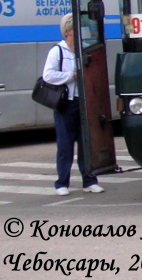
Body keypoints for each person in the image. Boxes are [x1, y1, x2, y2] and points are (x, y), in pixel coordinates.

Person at [42, 14, 103, 195]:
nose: (82, 32)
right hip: (65, 104)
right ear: (69, 32)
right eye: (78, 28)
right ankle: (62, 183)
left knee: (86, 144)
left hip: (84, 103)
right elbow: (48, 75)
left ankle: (89, 181)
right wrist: (71, 76)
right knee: (65, 145)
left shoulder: (85, 50)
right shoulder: (57, 51)